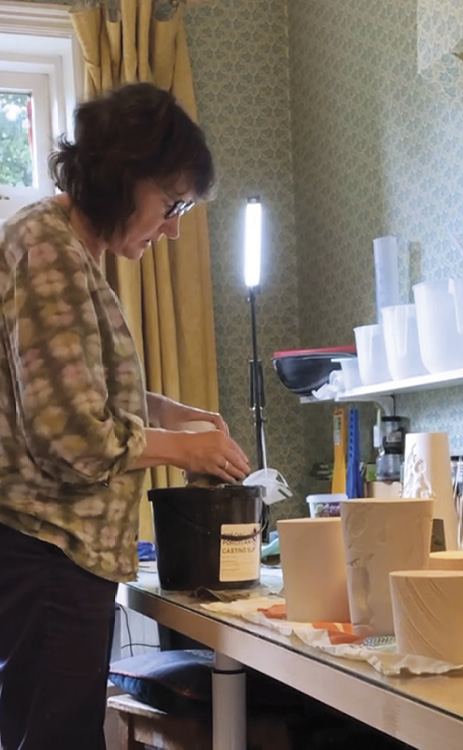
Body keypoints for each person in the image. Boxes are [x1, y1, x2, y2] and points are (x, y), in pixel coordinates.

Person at [0, 82, 250, 750]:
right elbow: (69, 435)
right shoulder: (48, 245)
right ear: (122, 176)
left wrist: (176, 413)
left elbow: (83, 391)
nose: (171, 229)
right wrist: (184, 450)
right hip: (47, 551)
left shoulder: (73, 251)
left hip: (58, 556)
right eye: (170, 206)